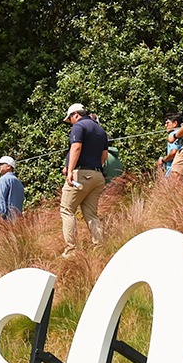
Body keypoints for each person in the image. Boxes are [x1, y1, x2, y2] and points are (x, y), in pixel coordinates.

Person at [61, 104, 109, 257]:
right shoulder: (101, 131)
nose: (71, 122)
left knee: (67, 209)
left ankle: (71, 250)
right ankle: (99, 247)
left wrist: (69, 171)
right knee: (91, 214)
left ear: (75, 114)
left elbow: (76, 148)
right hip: (97, 176)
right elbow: (104, 156)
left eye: (70, 119)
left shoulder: (79, 126)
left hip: (81, 174)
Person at [0, 156, 24, 221]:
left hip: (4, 221)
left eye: (0, 164)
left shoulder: (3, 180)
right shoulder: (18, 182)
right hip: (17, 221)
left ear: (8, 166)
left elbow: (0, 200)